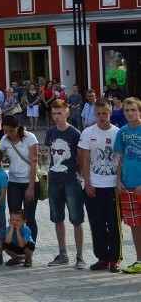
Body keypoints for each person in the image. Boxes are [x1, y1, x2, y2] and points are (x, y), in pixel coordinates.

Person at [79, 98, 121, 272]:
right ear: (94, 114)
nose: (102, 116)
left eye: (105, 113)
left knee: (114, 224)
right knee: (97, 223)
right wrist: (87, 183)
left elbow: (120, 161)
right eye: (98, 113)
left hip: (112, 186)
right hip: (93, 186)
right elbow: (85, 159)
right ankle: (102, 257)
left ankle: (114, 259)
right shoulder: (88, 133)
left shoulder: (119, 133)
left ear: (110, 112)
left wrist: (119, 182)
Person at [44, 99, 86, 268]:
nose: (56, 117)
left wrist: (79, 174)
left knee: (77, 219)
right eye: (54, 113)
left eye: (60, 113)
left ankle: (80, 256)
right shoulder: (50, 132)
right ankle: (63, 254)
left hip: (71, 180)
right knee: (57, 218)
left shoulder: (75, 133)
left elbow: (81, 157)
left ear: (67, 113)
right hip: (54, 180)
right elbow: (48, 154)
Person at [0, 115, 40, 241]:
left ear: (18, 127)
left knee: (28, 216)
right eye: (6, 131)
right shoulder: (5, 139)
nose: (9, 133)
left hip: (30, 182)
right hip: (14, 182)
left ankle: (30, 246)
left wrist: (31, 187)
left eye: (11, 130)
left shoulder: (29, 137)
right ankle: (16, 245)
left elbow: (34, 162)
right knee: (14, 216)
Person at [115, 97, 141, 274]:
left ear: (139, 111)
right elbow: (120, 159)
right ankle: (139, 261)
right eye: (127, 110)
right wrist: (118, 181)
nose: (130, 113)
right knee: (134, 225)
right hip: (128, 186)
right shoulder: (122, 132)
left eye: (133, 109)